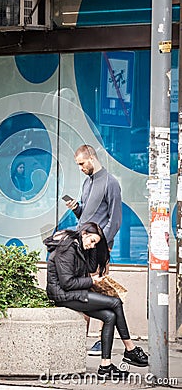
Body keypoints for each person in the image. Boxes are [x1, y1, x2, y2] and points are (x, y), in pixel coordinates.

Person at [44, 222, 148, 380]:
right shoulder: (67, 249)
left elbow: (92, 267)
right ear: (84, 233)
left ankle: (105, 367)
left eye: (95, 243)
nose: (92, 245)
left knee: (110, 316)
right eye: (92, 241)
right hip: (63, 295)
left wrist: (95, 247)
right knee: (115, 302)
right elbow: (67, 283)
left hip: (75, 293)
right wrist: (93, 282)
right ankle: (130, 348)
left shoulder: (79, 246)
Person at [65, 144, 122, 355]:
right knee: (83, 293)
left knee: (99, 293)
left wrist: (102, 245)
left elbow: (115, 220)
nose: (80, 168)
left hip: (99, 249)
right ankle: (80, 340)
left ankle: (101, 340)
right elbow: (87, 219)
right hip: (83, 245)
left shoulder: (111, 183)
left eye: (81, 163)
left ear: (91, 158)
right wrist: (77, 209)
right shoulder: (87, 183)